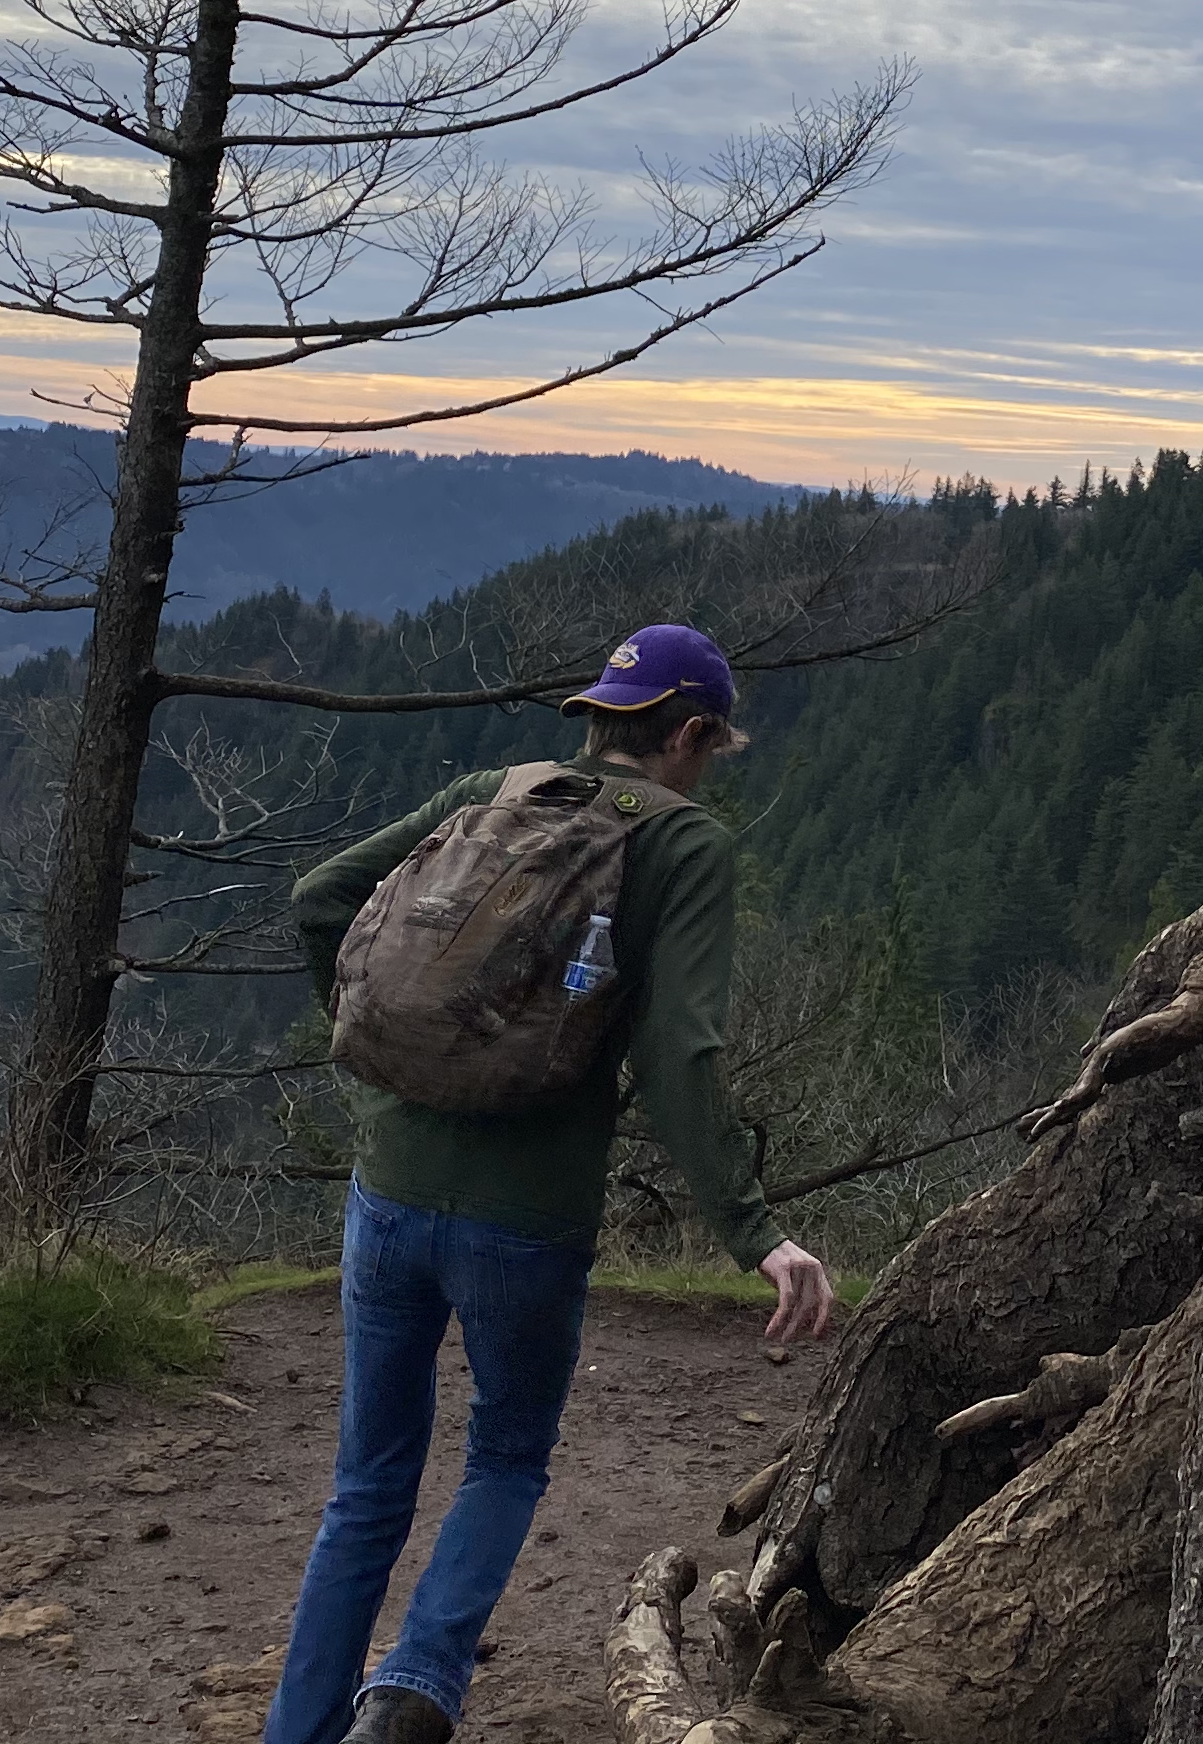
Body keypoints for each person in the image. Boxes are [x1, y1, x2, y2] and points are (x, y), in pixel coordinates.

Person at [264, 623, 835, 1744]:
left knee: (367, 1484)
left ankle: (300, 1730)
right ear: (691, 733)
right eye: (711, 749)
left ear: (597, 716)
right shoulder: (684, 847)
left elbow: (319, 898)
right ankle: (415, 1691)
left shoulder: (499, 789)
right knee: (507, 1457)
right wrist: (754, 1234)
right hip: (526, 1217)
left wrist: (386, 1069)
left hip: (387, 1188)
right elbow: (681, 1052)